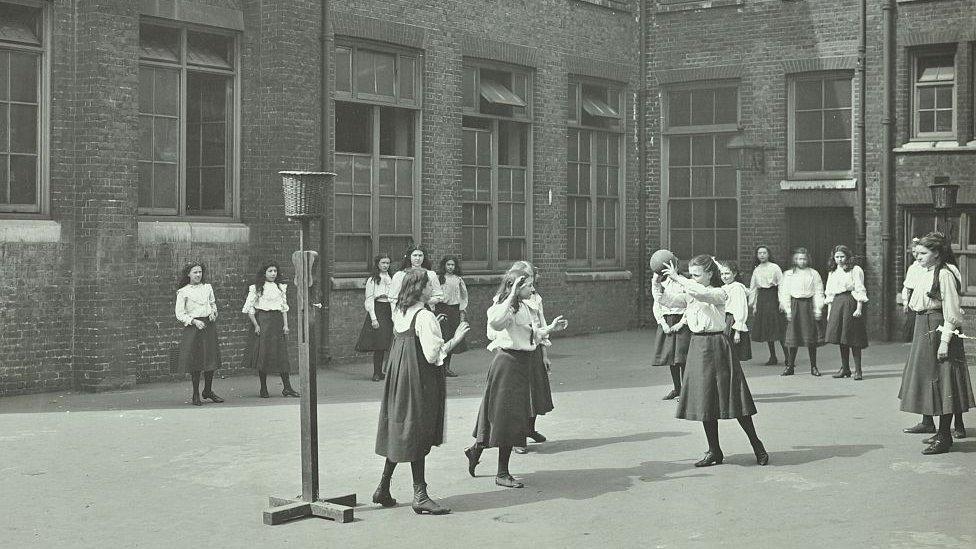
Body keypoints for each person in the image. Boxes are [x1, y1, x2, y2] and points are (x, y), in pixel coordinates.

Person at [373, 268, 469, 515]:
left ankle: (383, 487)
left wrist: (432, 328)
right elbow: (432, 354)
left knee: (401, 427)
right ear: (419, 289)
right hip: (419, 377)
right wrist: (455, 339)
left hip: (399, 376)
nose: (432, 290)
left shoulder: (401, 310)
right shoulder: (424, 316)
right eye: (429, 286)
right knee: (417, 429)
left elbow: (409, 338)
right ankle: (420, 495)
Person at [662, 256, 768, 468]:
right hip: (698, 347)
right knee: (704, 401)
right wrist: (658, 285)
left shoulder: (720, 292)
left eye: (696, 275)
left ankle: (757, 445)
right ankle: (714, 451)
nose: (692, 278)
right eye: (691, 274)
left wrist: (679, 278)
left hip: (718, 345)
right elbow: (669, 301)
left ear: (710, 274)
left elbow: (703, 294)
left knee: (734, 399)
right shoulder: (691, 291)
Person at [464, 270, 567, 488]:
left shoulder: (526, 307)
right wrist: (511, 294)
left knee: (505, 415)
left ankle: (476, 450)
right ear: (516, 287)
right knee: (506, 417)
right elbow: (495, 323)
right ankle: (502, 473)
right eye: (528, 285)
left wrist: (550, 328)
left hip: (522, 363)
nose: (533, 289)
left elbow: (530, 335)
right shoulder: (505, 306)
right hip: (508, 364)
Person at [898, 232, 975, 454]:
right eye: (918, 252)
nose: (918, 256)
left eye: (923, 253)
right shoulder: (925, 272)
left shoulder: (945, 275)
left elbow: (952, 312)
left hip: (939, 328)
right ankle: (937, 430)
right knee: (930, 381)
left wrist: (944, 342)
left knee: (943, 382)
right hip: (925, 326)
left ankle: (944, 436)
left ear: (937, 254)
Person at [507, 260, 567, 454]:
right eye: (527, 279)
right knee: (521, 396)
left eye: (532, 278)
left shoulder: (536, 298)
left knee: (536, 392)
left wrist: (544, 355)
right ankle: (518, 437)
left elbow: (540, 326)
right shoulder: (510, 301)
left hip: (534, 349)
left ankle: (530, 428)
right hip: (518, 351)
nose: (531, 284)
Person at [242, 262, 299, 398]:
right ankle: (263, 388)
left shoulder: (280, 288)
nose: (273, 273)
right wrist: (256, 325)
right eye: (270, 271)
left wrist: (286, 325)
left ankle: (287, 387)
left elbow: (283, 308)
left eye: (275, 271)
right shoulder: (256, 288)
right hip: (264, 322)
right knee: (264, 355)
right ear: (264, 273)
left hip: (277, 322)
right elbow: (249, 309)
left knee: (281, 355)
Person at [175, 263, 224, 406]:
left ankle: (208, 390)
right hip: (194, 328)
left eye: (200, 272)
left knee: (210, 359)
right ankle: (196, 394)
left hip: (208, 326)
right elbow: (180, 314)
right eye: (195, 272)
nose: (198, 275)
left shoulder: (207, 288)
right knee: (196, 362)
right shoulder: (183, 292)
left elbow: (213, 304)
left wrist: (214, 313)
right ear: (188, 274)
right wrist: (194, 321)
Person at [824, 245, 869, 380]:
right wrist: (829, 312)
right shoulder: (833, 271)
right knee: (841, 338)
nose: (839, 260)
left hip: (851, 302)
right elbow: (830, 292)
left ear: (848, 256)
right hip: (837, 303)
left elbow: (860, 289)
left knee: (853, 338)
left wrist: (859, 308)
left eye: (842, 256)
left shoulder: (855, 270)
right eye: (837, 257)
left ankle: (858, 370)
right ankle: (845, 369)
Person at [779, 247, 825, 376]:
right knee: (794, 337)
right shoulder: (788, 274)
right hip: (795, 306)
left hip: (808, 306)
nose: (802, 261)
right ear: (795, 259)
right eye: (799, 259)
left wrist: (818, 309)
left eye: (804, 259)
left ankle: (814, 367)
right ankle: (790, 366)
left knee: (811, 338)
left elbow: (819, 291)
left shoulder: (813, 273)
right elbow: (784, 292)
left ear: (808, 259)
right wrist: (788, 310)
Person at [652, 262, 692, 400]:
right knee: (672, 358)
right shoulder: (661, 284)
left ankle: (686, 390)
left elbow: (690, 305)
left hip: (682, 322)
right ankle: (677, 388)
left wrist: (682, 323)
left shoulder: (685, 283)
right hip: (667, 322)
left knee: (682, 358)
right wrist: (663, 324)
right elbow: (657, 305)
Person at [355, 254, 394, 382]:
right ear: (378, 264)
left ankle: (386, 371)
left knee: (388, 342)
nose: (385, 265)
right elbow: (369, 298)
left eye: (387, 263)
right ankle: (376, 373)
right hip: (378, 309)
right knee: (379, 343)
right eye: (383, 263)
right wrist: (373, 318)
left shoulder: (392, 278)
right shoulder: (373, 279)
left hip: (390, 310)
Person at [749, 246, 788, 366]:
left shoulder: (775, 267)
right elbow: (753, 287)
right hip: (762, 299)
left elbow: (782, 284)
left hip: (773, 297)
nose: (762, 255)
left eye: (764, 253)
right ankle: (773, 356)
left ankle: (788, 357)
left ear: (768, 254)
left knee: (779, 327)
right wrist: (754, 305)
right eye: (759, 253)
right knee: (767, 328)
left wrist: (782, 302)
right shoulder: (757, 270)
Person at [435, 255, 468, 378]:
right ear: (444, 265)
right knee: (441, 337)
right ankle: (438, 366)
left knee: (451, 338)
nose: (450, 267)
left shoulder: (458, 279)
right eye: (448, 265)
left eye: (452, 265)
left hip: (454, 310)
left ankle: (446, 367)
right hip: (441, 309)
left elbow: (464, 296)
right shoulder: (439, 279)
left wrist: (462, 310)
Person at [389, 245, 443, 310]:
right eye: (415, 255)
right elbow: (393, 298)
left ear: (424, 257)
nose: (417, 258)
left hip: (425, 310)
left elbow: (438, 296)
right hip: (405, 311)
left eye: (420, 255)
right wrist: (395, 316)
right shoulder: (400, 275)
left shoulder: (431, 274)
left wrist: (423, 301)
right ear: (409, 257)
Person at [719, 261, 752, 363]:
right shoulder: (723, 288)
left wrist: (737, 331)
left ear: (734, 274)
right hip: (724, 320)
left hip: (732, 321)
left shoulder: (737, 288)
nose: (724, 277)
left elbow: (740, 308)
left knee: (732, 354)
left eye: (727, 273)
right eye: (722, 274)